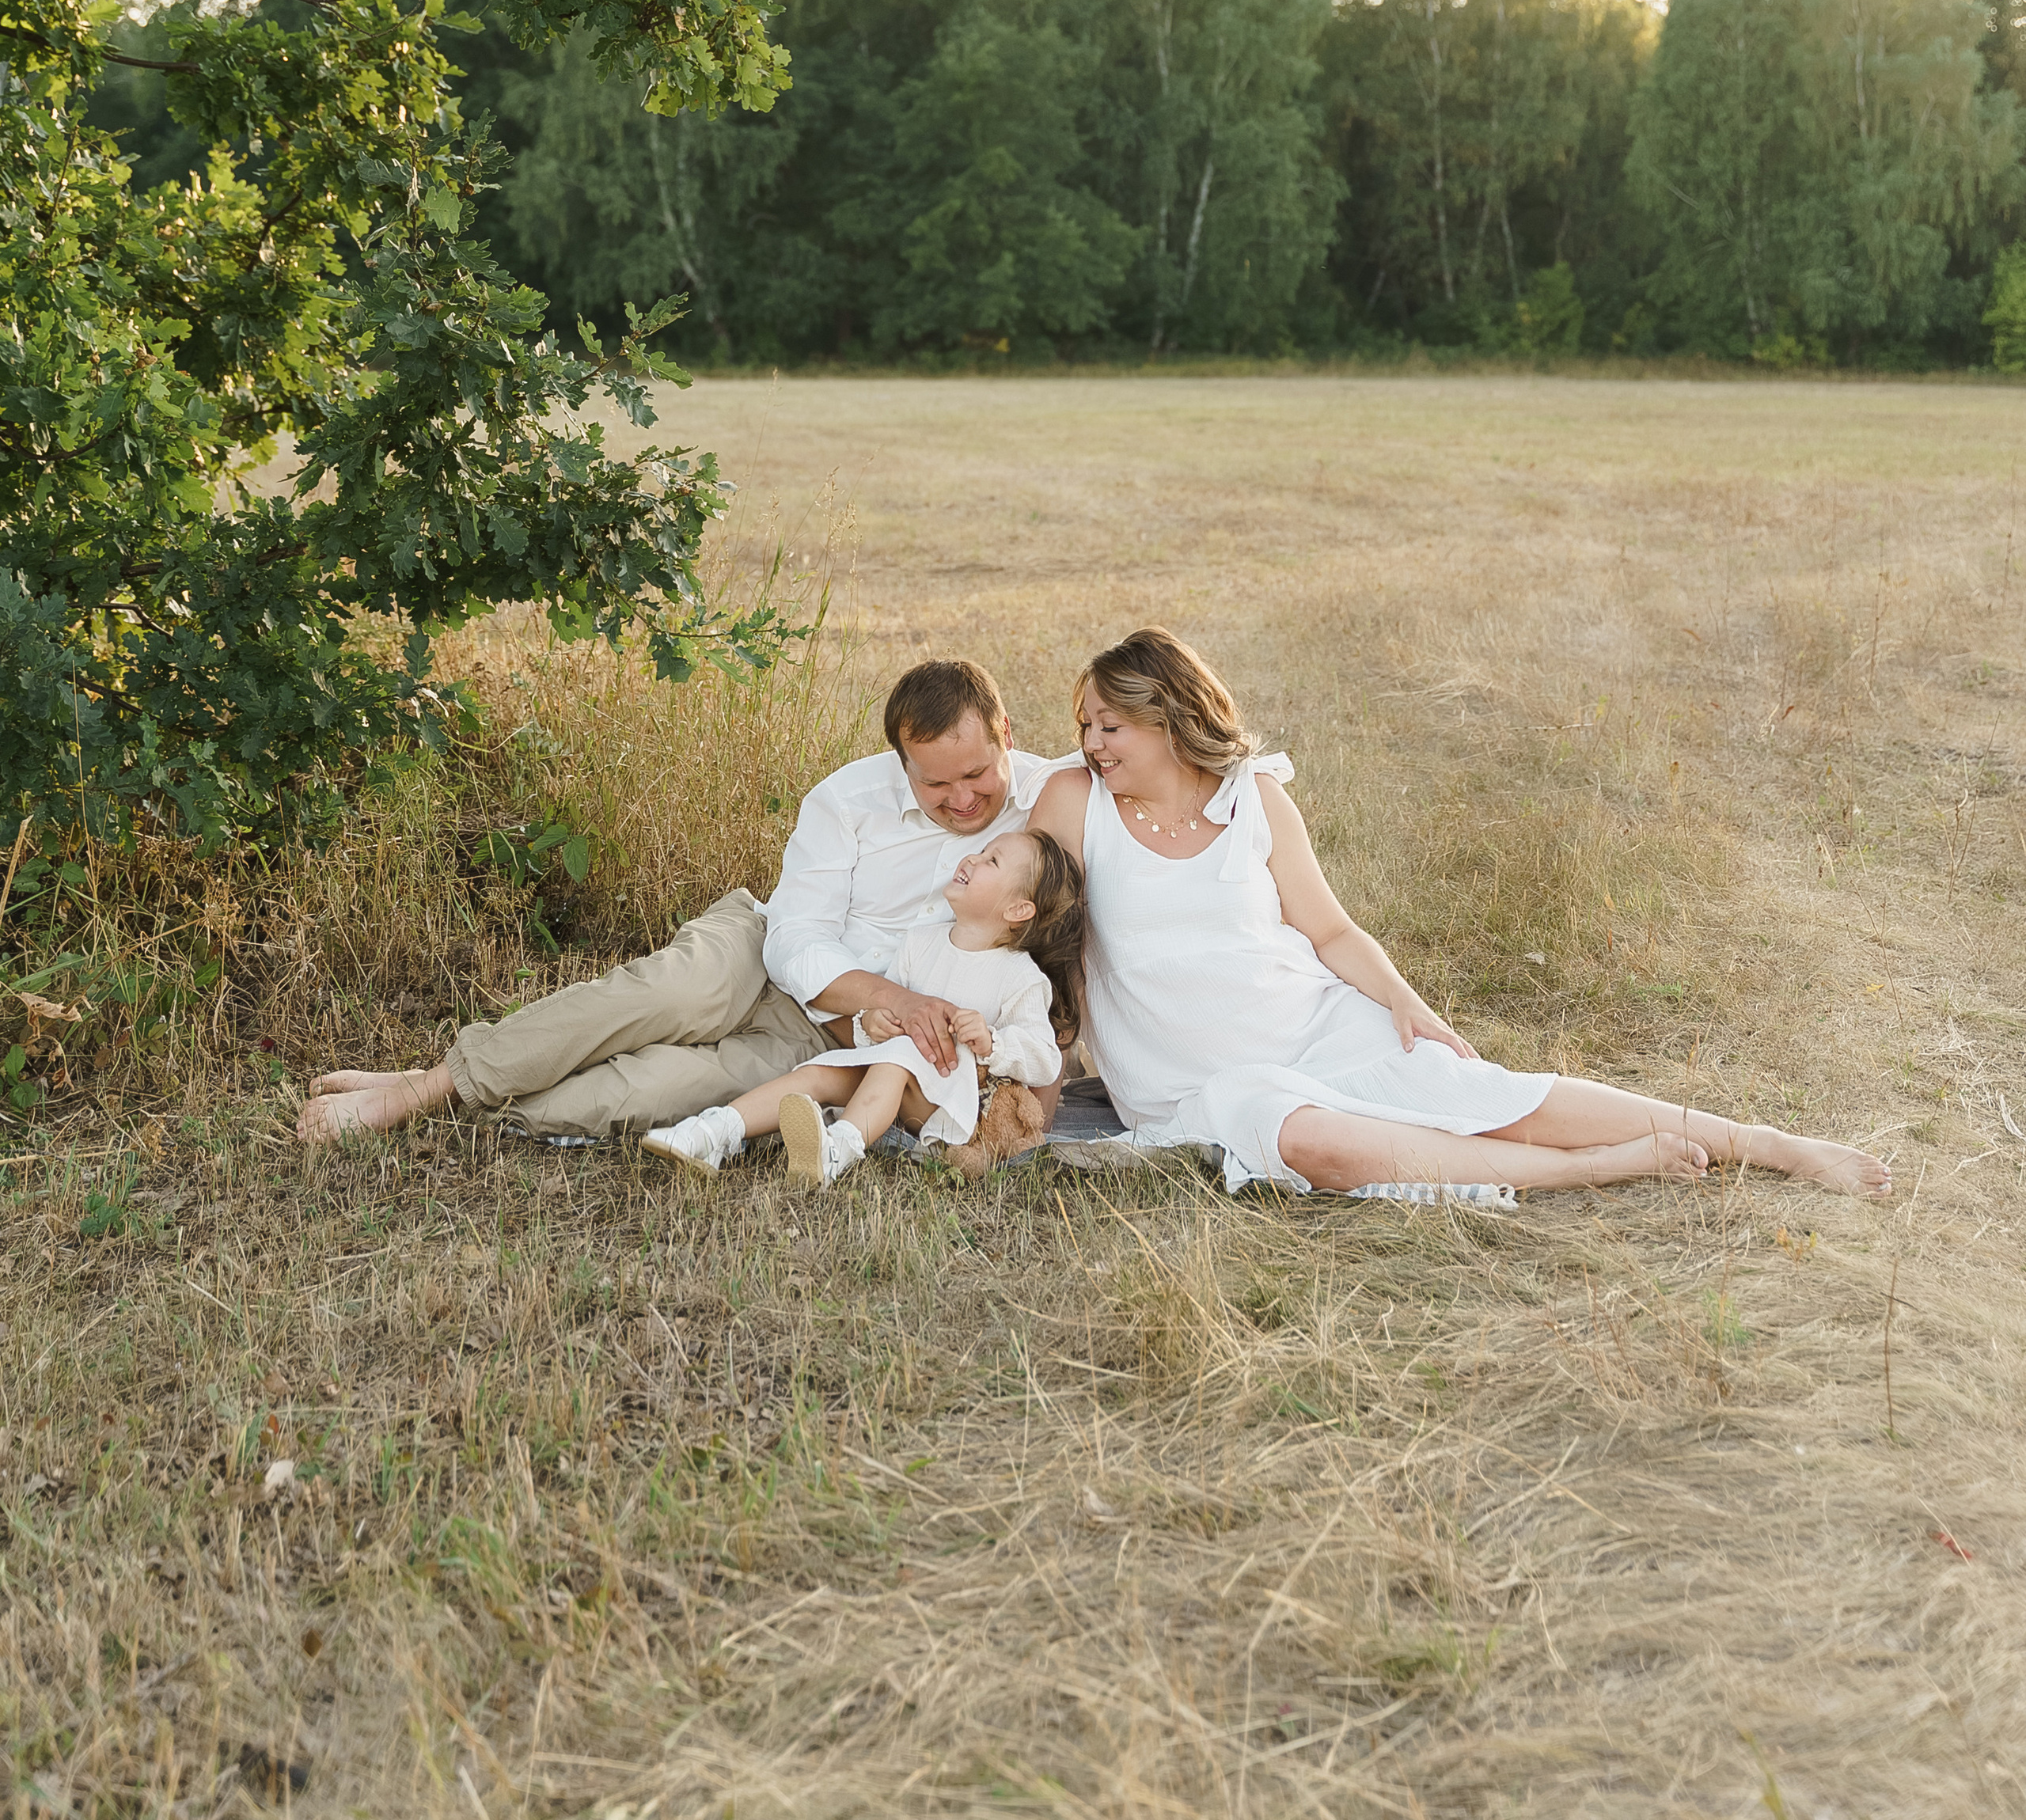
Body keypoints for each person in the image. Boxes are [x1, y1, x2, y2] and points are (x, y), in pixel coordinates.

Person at [1026, 627, 1893, 1204]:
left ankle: (1766, 1143)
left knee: (1489, 1095)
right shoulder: (1072, 802)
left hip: (1313, 1024)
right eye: (1087, 725)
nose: (1092, 744)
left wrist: (1407, 1004)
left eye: (1111, 727)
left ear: (1171, 720)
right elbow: (1041, 946)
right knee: (1315, 1150)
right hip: (1195, 1080)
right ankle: (1592, 1171)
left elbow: (1327, 932)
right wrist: (1043, 1067)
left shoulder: (1253, 800)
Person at [295, 658, 1068, 1143]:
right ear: (901, 761)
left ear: (1005, 732)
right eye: (936, 784)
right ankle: (419, 1092)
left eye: (977, 776)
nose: (963, 800)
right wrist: (894, 994)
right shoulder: (848, 798)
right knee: (657, 997)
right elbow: (795, 937)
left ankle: (438, 1091)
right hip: (761, 956)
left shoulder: (1049, 799)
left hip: (830, 1044)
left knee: (638, 1096)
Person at [643, 828, 1084, 1186]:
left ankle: (838, 1149)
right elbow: (887, 1016)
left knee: (900, 1059)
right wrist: (870, 1022)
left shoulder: (1019, 976)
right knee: (816, 1073)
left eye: (993, 861)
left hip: (952, 1106)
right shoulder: (922, 942)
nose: (973, 858)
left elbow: (1044, 1060)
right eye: (983, 850)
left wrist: (993, 1042)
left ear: (1018, 909)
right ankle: (712, 1132)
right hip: (891, 1073)